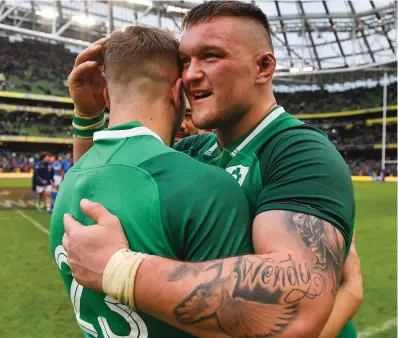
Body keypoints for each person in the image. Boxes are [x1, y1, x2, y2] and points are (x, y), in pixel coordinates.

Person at [63, 2, 362, 337]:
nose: (190, 74)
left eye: (211, 56)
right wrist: (87, 117)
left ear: (263, 67)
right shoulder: (194, 150)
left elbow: (293, 311)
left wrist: (119, 269)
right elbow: (110, 187)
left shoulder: (300, 152)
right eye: (185, 61)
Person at [50, 25, 253, 338]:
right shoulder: (207, 188)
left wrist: (84, 116)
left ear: (106, 95)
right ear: (176, 92)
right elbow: (245, 324)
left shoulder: (71, 182)